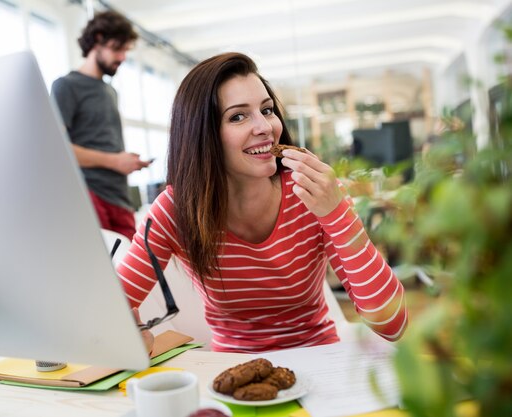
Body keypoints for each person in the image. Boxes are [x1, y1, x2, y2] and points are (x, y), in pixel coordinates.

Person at [117, 52, 408, 353]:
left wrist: (338, 215)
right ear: (202, 136)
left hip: (320, 361)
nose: (265, 127)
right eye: (238, 116)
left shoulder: (313, 192)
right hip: (232, 374)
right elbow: (111, 312)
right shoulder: (177, 209)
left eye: (267, 110)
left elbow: (392, 324)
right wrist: (129, 330)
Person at [51, 10, 151, 240]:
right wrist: (116, 161)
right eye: (117, 49)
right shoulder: (66, 86)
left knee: (128, 270)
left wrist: (127, 161)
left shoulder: (110, 91)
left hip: (120, 197)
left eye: (126, 50)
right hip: (89, 195)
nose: (123, 57)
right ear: (98, 40)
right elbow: (59, 149)